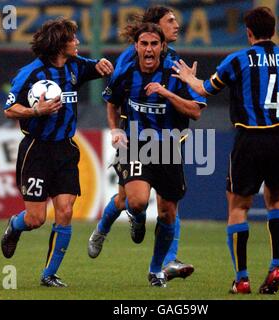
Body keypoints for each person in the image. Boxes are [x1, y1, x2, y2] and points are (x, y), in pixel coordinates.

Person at [172, 7, 279, 294]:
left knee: (238, 207)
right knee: (277, 202)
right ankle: (277, 265)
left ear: (248, 32)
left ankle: (242, 278)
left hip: (250, 139)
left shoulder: (239, 60)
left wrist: (187, 79)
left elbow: (206, 89)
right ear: (273, 30)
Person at [0, 17, 113, 287]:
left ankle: (48, 274)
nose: (77, 42)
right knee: (36, 218)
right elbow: (9, 109)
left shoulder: (76, 66)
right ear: (59, 43)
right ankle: (15, 226)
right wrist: (36, 111)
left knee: (65, 210)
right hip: (37, 149)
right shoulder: (31, 73)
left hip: (65, 149)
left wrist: (105, 66)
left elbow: (98, 68)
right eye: (73, 38)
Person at [88, 6, 195, 281]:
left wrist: (178, 89)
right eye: (170, 21)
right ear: (141, 41)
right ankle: (105, 229)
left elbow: (195, 109)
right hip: (136, 142)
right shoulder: (128, 64)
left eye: (154, 44)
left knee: (168, 210)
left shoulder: (176, 66)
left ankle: (159, 267)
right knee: (132, 201)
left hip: (169, 144)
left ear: (160, 45)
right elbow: (111, 99)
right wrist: (116, 130)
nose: (176, 25)